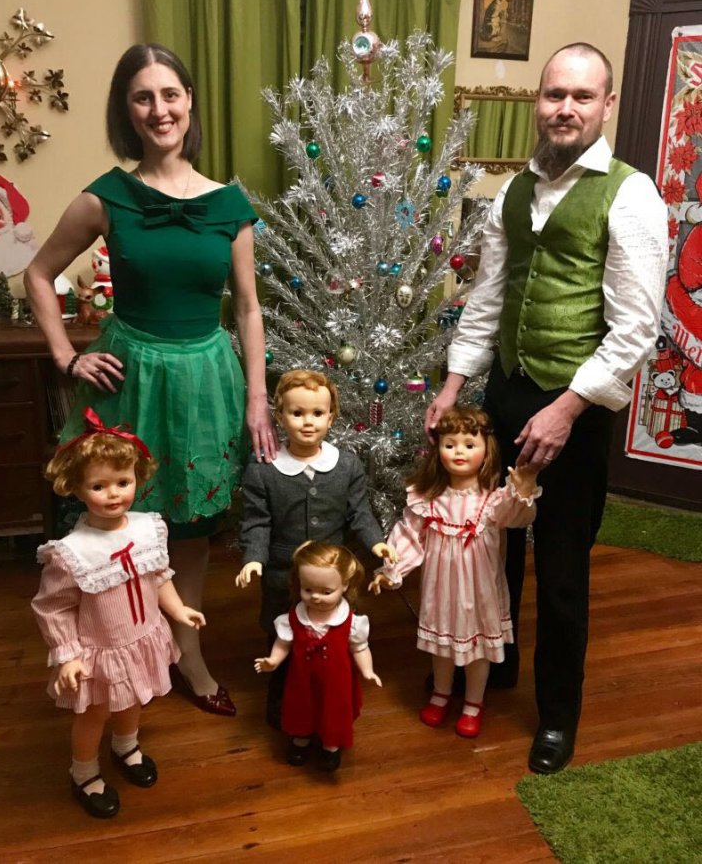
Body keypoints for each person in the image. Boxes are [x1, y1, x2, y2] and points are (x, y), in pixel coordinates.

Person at [426, 43, 668, 772]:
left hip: (577, 403)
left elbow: (635, 327)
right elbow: (487, 298)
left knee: (561, 570)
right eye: (554, 94)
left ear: (607, 105)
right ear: (538, 100)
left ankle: (558, 715)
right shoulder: (512, 191)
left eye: (582, 97)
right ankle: (494, 665)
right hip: (507, 389)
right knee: (494, 548)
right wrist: (453, 385)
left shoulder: (631, 194)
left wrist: (566, 409)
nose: (565, 108)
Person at [25, 43, 278, 717]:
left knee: (190, 531)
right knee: (119, 522)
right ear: (127, 110)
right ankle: (115, 651)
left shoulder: (230, 204)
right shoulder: (106, 197)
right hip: (129, 379)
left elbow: (248, 308)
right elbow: (39, 275)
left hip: (206, 380)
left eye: (170, 94)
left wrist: (257, 396)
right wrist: (66, 356)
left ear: (189, 101)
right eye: (143, 97)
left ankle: (186, 652)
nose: (159, 109)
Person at [31, 410, 206, 818]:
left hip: (141, 637)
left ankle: (126, 746)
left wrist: (178, 609)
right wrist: (67, 655)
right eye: (98, 486)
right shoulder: (73, 552)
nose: (113, 494)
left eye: (122, 482)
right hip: (100, 649)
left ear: (137, 479)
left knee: (133, 700)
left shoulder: (148, 529)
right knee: (95, 713)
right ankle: (84, 772)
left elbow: (158, 575)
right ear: (76, 488)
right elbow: (52, 606)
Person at [235, 369, 395, 726]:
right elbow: (257, 521)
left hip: (332, 577)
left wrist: (377, 543)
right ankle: (282, 706)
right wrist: (254, 558)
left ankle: (331, 705)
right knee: (281, 636)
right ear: (280, 416)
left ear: (331, 417)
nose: (308, 422)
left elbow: (359, 512)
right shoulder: (264, 469)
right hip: (283, 576)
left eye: (317, 413)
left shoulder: (346, 465)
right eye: (297, 413)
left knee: (333, 642)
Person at [370, 406, 539, 738]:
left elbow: (519, 517)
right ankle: (441, 693)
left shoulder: (492, 500)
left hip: (479, 590)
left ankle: (474, 703)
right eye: (450, 445)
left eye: (469, 444)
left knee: (478, 651)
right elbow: (409, 536)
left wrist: (522, 491)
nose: (459, 452)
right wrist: (392, 569)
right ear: (439, 450)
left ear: (486, 450)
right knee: (441, 646)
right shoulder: (428, 498)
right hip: (441, 589)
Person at [254, 540, 382, 772]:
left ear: (345, 585)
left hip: (336, 682)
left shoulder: (350, 622)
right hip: (302, 680)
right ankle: (301, 738)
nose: (316, 597)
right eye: (308, 590)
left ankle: (330, 745)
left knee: (333, 711)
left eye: (326, 592)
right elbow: (283, 642)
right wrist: (273, 660)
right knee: (303, 708)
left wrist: (367, 670)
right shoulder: (294, 618)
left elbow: (360, 647)